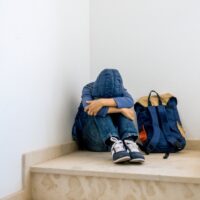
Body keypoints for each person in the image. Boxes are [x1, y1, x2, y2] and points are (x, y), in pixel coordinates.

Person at [72, 69, 145, 164]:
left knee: (124, 107)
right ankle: (113, 142)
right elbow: (89, 109)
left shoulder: (121, 90)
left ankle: (129, 142)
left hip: (120, 146)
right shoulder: (88, 88)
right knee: (96, 109)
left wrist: (102, 102)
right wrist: (120, 109)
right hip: (93, 140)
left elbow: (129, 101)